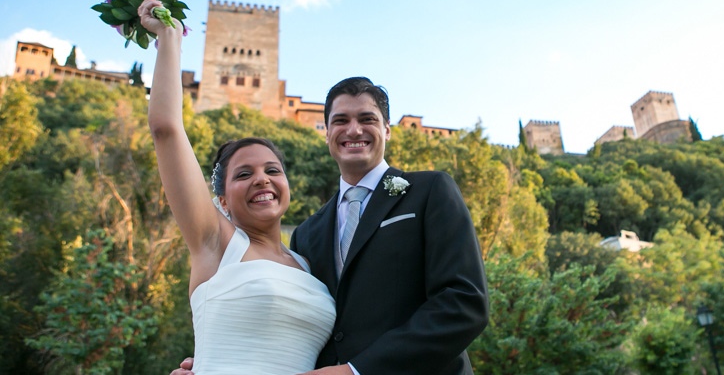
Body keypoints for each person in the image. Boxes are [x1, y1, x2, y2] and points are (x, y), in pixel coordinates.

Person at [174, 76, 489, 375]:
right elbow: (299, 322)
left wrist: (357, 371)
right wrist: (213, 360)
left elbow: (464, 301)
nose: (353, 130)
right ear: (326, 132)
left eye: (367, 119)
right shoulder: (307, 233)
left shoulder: (430, 191)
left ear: (387, 130)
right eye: (340, 121)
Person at [140, 0, 335, 375]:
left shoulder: (308, 263)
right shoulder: (215, 241)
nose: (262, 178)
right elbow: (165, 128)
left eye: (272, 170)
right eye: (243, 175)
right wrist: (169, 37)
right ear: (222, 200)